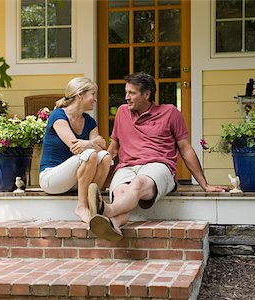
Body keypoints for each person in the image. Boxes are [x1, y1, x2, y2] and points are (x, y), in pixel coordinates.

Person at [89, 72, 228, 241]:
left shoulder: (170, 113)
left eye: (131, 93)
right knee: (120, 192)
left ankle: (106, 210)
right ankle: (114, 226)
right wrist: (97, 180)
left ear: (147, 94)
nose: (126, 97)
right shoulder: (122, 113)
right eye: (126, 92)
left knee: (138, 183)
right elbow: (113, 149)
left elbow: (185, 149)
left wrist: (204, 185)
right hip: (126, 167)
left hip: (159, 166)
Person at [39, 77, 112, 223]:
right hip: (52, 178)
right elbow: (76, 147)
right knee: (90, 154)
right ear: (80, 95)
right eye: (93, 94)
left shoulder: (89, 121)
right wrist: (91, 143)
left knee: (105, 157)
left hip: (76, 180)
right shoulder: (58, 116)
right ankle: (82, 206)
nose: (95, 99)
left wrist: (87, 143)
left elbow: (101, 147)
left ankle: (94, 204)